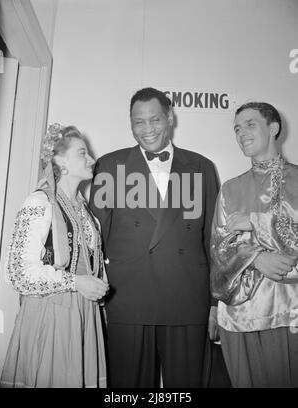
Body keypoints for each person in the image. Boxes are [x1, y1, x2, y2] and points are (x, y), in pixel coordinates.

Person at [89, 87, 220, 387]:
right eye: (138, 122)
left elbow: (212, 241)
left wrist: (216, 303)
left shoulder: (201, 167)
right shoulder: (110, 166)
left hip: (187, 298)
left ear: (170, 118)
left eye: (155, 120)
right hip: (127, 299)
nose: (147, 129)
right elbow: (95, 240)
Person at [0, 124, 109, 388]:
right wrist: (75, 283)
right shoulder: (39, 203)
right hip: (51, 314)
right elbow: (18, 273)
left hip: (85, 316)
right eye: (82, 153)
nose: (92, 159)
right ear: (61, 161)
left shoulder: (87, 213)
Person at [210, 102, 298, 387]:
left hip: (289, 312)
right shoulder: (230, 189)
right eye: (237, 128)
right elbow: (220, 249)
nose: (241, 133)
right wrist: (257, 258)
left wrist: (255, 222)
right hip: (240, 316)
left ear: (273, 128)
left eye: (250, 124)